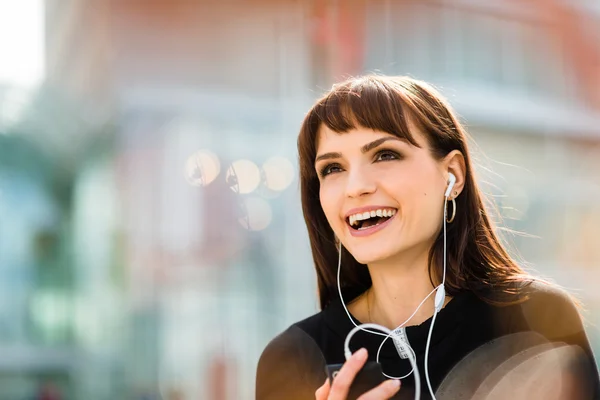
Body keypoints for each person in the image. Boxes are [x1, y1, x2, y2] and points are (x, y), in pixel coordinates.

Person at [255, 75, 599, 400]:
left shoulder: (534, 318)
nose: (356, 187)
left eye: (385, 154)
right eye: (333, 168)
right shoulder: (292, 357)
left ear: (452, 174)